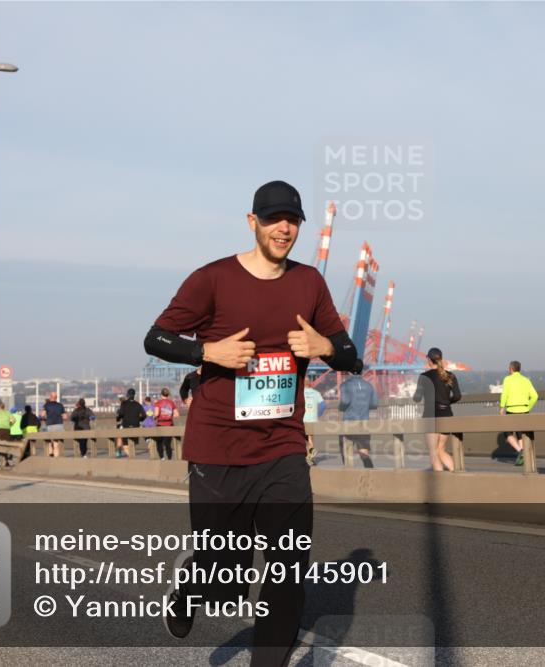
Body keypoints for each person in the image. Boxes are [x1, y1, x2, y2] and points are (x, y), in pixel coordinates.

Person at [143, 180, 360, 665]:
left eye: (293, 220)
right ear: (252, 222)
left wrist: (325, 348)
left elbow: (351, 356)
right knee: (227, 578)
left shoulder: (310, 283)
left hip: (283, 449)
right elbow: (156, 338)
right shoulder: (213, 279)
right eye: (273, 219)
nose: (284, 228)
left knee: (286, 572)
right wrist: (206, 351)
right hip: (217, 449)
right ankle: (190, 586)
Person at [413, 347, 462, 472]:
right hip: (446, 414)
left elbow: (417, 398)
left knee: (433, 453)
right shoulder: (450, 375)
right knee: (441, 449)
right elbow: (457, 396)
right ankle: (455, 474)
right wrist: (446, 402)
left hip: (431, 416)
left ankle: (441, 482)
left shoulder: (424, 377)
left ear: (429, 360)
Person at [498, 361, 539, 466]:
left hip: (512, 410)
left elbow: (505, 394)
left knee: (507, 433)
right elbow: (535, 396)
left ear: (511, 369)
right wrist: (527, 406)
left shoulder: (507, 379)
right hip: (524, 410)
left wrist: (502, 407)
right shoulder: (526, 380)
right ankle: (523, 455)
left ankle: (520, 451)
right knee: (521, 434)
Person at [339, 368, 378, 468]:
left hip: (349, 421)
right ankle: (371, 474)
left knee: (346, 450)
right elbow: (374, 404)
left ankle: (349, 476)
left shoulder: (345, 385)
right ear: (361, 371)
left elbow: (345, 402)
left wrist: (341, 407)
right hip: (364, 421)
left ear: (350, 371)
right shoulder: (369, 386)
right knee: (363, 451)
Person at [115, 388, 146, 458]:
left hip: (126, 425)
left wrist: (118, 418)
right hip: (136, 425)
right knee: (133, 444)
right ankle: (132, 457)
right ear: (134, 395)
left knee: (125, 445)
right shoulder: (138, 405)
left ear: (127, 395)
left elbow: (120, 414)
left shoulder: (124, 404)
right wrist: (139, 419)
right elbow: (144, 415)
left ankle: (131, 457)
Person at [302, 384, 326, 465]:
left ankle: (310, 453)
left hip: (303, 418)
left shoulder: (300, 392)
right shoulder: (316, 392)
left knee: (302, 437)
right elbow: (323, 405)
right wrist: (318, 414)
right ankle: (311, 457)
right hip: (313, 418)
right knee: (310, 438)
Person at [154, 387, 180, 460]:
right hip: (169, 424)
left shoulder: (158, 403)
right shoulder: (171, 403)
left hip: (160, 425)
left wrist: (154, 417)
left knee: (159, 442)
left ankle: (162, 457)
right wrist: (170, 415)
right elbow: (177, 414)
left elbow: (156, 414)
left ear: (161, 394)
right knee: (167, 444)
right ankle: (169, 458)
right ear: (168, 394)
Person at [42, 392, 66, 457]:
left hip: (49, 425)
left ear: (50, 397)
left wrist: (46, 418)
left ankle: (50, 453)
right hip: (59, 425)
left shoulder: (46, 405)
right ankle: (56, 459)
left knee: (49, 440)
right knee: (56, 443)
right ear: (56, 397)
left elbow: (43, 415)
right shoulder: (60, 405)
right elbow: (65, 416)